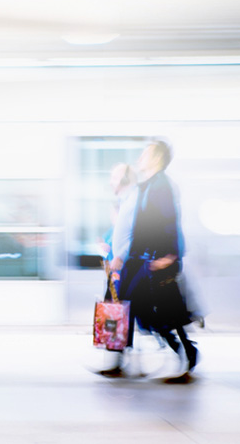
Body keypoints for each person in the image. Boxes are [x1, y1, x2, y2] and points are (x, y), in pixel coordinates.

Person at [109, 142, 197, 384]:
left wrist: (169, 256)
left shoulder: (162, 185)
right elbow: (140, 227)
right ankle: (120, 359)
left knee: (163, 314)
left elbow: (169, 221)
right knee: (134, 309)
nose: (141, 157)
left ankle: (187, 354)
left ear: (156, 158)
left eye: (145, 153)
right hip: (141, 259)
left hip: (156, 260)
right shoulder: (147, 185)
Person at [98, 162, 138, 378]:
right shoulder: (124, 201)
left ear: (124, 179)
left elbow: (134, 234)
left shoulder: (132, 201)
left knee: (123, 312)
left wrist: (120, 255)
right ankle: (117, 357)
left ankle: (185, 351)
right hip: (119, 268)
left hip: (127, 268)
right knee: (120, 312)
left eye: (114, 177)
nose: (111, 181)